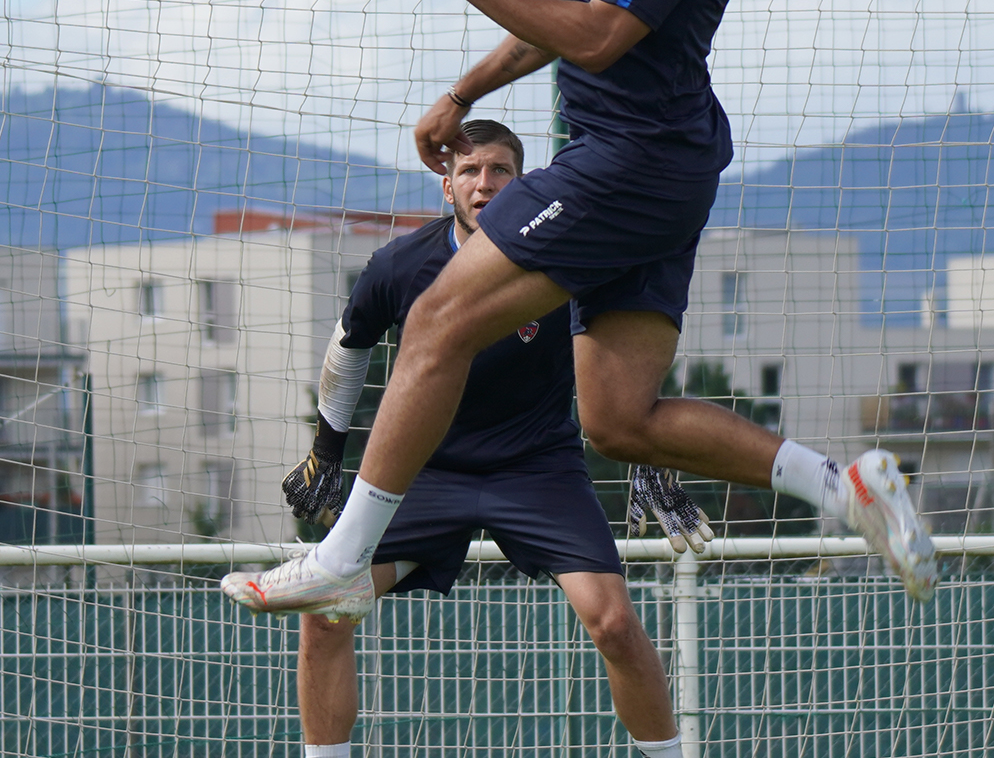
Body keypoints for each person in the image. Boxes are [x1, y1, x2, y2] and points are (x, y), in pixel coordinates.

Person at [231, 0, 937, 617]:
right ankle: (847, 489)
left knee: (438, 317)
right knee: (618, 419)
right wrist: (460, 92)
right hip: (649, 168)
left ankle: (343, 555)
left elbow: (598, 40)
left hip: (629, 165)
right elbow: (563, 8)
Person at [225, 119, 709, 758]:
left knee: (615, 624)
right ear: (446, 186)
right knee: (325, 612)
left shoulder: (569, 258)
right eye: (470, 171)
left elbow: (631, 345)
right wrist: (327, 450)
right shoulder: (399, 264)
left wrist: (650, 456)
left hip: (538, 468)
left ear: (523, 184)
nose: (485, 183)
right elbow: (348, 349)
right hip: (420, 474)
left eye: (501, 170)